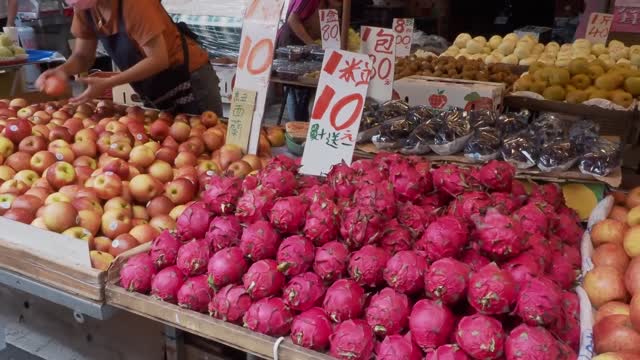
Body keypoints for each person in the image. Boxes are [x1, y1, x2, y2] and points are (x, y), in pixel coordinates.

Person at [36, 0, 223, 116]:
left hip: (189, 80)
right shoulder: (86, 7)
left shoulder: (134, 4)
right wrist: (63, 70)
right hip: (153, 89)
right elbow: (82, 56)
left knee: (203, 146)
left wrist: (112, 81)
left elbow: (158, 59)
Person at [277, 0, 341, 122]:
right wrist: (312, 44)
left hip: (306, 44)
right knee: (295, 87)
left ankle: (303, 124)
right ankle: (297, 126)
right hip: (292, 44)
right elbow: (292, 20)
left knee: (305, 88)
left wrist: (335, 5)